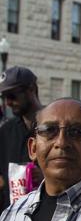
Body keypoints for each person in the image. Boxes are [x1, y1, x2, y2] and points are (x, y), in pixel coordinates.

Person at [0, 66, 43, 210]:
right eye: (3, 97)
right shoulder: (5, 131)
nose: (7, 103)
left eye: (12, 96)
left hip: (45, 216)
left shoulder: (55, 126)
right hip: (11, 217)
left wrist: (45, 176)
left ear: (31, 89)